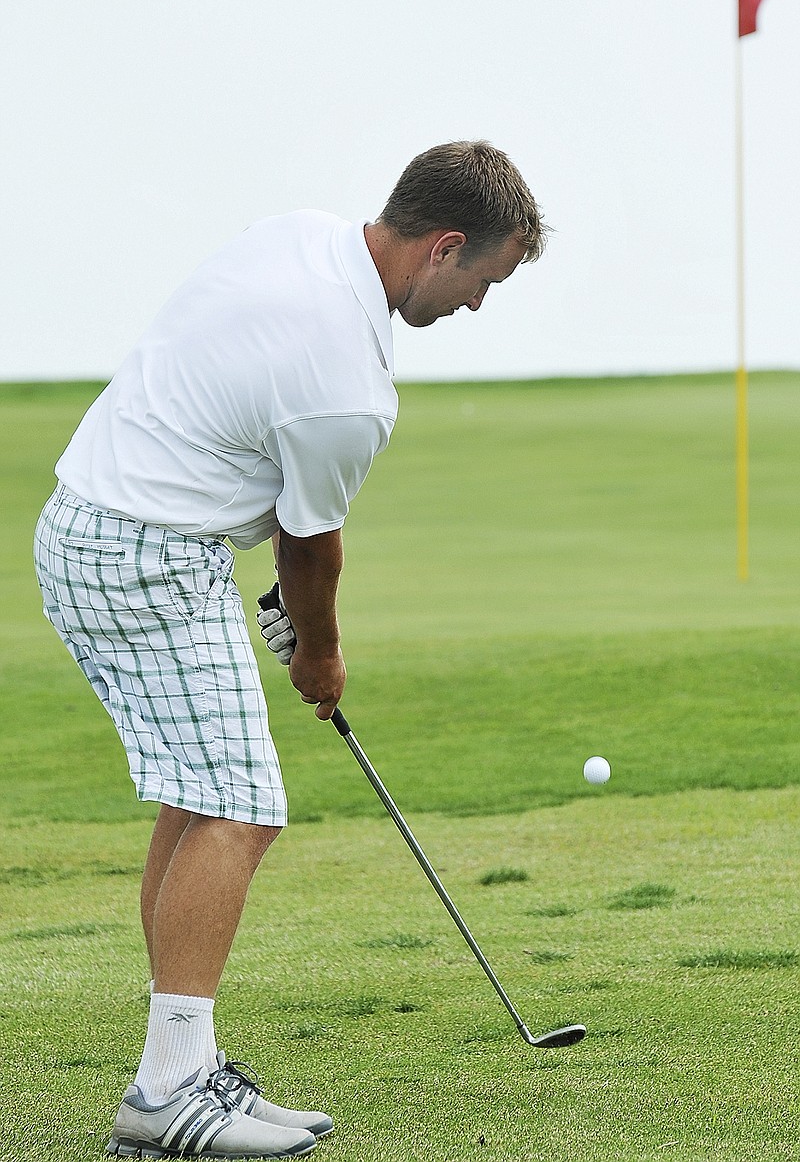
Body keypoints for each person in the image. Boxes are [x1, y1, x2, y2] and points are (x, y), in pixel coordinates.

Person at [33, 141, 547, 1160]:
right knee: (240, 802)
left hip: (104, 522)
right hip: (143, 554)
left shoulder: (300, 238)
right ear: (444, 246)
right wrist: (318, 650)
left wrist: (280, 595)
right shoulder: (350, 385)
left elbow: (238, 419)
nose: (477, 306)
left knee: (200, 790)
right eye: (484, 282)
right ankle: (167, 1092)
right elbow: (313, 545)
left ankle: (183, 1062)